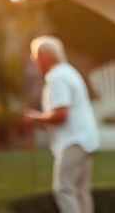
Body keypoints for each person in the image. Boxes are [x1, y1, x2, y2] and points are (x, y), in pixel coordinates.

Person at [24, 35, 99, 213]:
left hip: (73, 141)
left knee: (64, 189)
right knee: (81, 191)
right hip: (87, 140)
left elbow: (61, 114)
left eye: (35, 57)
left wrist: (35, 118)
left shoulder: (56, 77)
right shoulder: (69, 71)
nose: (35, 62)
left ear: (44, 57)